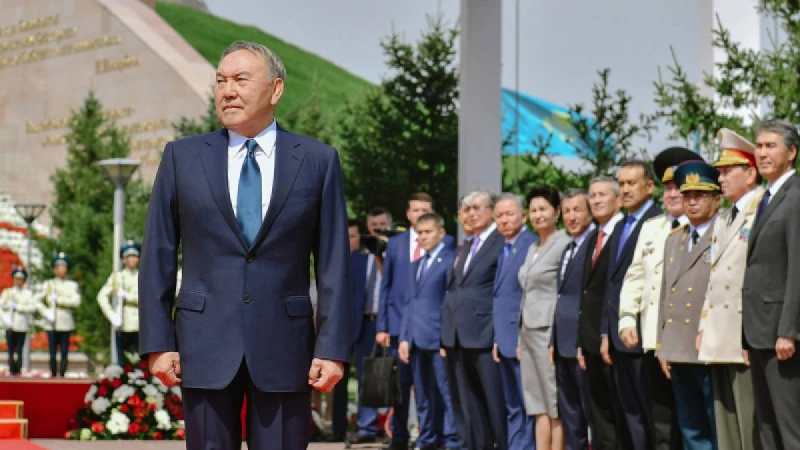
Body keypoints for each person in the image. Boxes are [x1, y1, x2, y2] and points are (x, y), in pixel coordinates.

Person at [138, 40, 352, 450]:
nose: (227, 91)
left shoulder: (317, 160)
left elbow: (334, 265)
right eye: (220, 81)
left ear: (275, 89)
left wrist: (332, 348)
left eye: (240, 80)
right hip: (203, 346)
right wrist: (158, 343)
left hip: (285, 348)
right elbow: (157, 256)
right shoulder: (182, 157)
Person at [618, 147, 702, 450]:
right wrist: (627, 317)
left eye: (678, 187)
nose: (672, 194)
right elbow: (635, 276)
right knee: (661, 421)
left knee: (693, 421)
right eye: (667, 188)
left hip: (690, 341)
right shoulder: (652, 228)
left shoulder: (704, 227)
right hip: (654, 338)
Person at [696, 128, 761, 450]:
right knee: (726, 427)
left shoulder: (762, 210)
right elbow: (714, 278)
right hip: (719, 334)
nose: (720, 179)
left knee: (750, 426)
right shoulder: (724, 218)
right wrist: (703, 324)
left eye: (727, 171)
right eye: (719, 172)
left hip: (744, 333)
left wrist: (750, 334)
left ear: (750, 173)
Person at [376, 192, 452, 449]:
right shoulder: (396, 244)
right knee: (402, 387)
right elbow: (386, 286)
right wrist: (383, 325)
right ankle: (400, 437)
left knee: (435, 388)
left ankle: (438, 436)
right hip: (400, 327)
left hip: (432, 330)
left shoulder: (447, 246)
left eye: (425, 210)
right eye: (416, 210)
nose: (420, 214)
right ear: (408, 214)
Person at [742, 119, 800, 449]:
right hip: (759, 331)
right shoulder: (767, 197)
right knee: (766, 425)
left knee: (790, 427)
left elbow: (797, 268)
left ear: (791, 152)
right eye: (759, 146)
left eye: (770, 146)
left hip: (781, 334)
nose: (762, 153)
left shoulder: (795, 197)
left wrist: (788, 330)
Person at [656, 160, 721, 450]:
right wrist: (662, 344)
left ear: (716, 199)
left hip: (709, 346)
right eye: (687, 196)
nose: (692, 202)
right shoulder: (674, 239)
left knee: (716, 424)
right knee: (690, 427)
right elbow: (665, 294)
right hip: (679, 346)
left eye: (700, 195)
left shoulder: (724, 233)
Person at [601, 160, 662, 450]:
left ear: (649, 186)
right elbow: (611, 284)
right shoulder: (620, 226)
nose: (624, 190)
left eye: (631, 183)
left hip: (642, 334)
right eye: (621, 183)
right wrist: (606, 331)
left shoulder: (658, 222)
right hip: (619, 334)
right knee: (630, 414)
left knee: (651, 414)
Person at [441, 190, 507, 450]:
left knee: (495, 402)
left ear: (491, 211)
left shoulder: (501, 242)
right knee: (469, 404)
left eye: (477, 208)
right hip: (459, 336)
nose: (471, 214)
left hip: (486, 334)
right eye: (467, 209)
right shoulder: (466, 246)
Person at [399, 213, 459, 450]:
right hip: (415, 339)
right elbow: (409, 303)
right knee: (422, 394)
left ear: (441, 233)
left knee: (446, 391)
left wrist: (447, 338)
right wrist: (404, 337)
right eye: (420, 233)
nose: (423, 237)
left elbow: (450, 303)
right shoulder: (417, 264)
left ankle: (452, 438)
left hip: (437, 338)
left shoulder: (449, 260)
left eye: (428, 232)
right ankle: (427, 437)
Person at [518, 184, 571, 450]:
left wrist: (555, 337)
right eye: (533, 210)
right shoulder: (532, 247)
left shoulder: (564, 244)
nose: (538, 215)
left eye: (543, 209)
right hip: (527, 330)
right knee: (536, 402)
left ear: (557, 212)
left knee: (553, 402)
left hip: (548, 330)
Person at [578, 176, 629, 449]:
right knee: (599, 415)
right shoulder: (592, 238)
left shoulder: (624, 232)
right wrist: (582, 340)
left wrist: (607, 332)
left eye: (602, 194)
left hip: (614, 338)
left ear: (618, 199)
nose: (596, 200)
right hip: (590, 340)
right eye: (593, 195)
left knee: (621, 412)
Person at [549, 189, 594, 450]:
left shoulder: (593, 245)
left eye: (577, 210)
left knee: (590, 412)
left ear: (589, 212)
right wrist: (553, 340)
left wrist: (581, 341)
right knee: (570, 413)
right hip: (562, 343)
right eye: (566, 211)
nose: (571, 216)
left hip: (581, 342)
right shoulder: (568, 247)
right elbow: (561, 297)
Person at [491, 193, 537, 450]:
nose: (504, 220)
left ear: (523, 216)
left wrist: (522, 335)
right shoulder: (504, 248)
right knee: (512, 403)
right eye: (499, 216)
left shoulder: (531, 245)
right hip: (504, 337)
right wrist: (497, 338)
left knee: (526, 400)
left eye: (509, 214)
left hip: (522, 337)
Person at [97, 239, 141, 366]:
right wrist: (111, 315)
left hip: (140, 321)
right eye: (129, 256)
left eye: (134, 256)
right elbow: (101, 296)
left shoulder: (143, 275)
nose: (132, 259)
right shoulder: (117, 277)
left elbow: (148, 297)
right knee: (123, 361)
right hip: (123, 321)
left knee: (140, 360)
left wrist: (128, 296)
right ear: (123, 260)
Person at [37, 252, 81, 377]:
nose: (61, 270)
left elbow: (76, 301)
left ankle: (62, 374)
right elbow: (37, 300)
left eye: (63, 267)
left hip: (65, 320)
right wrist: (45, 312)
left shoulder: (72, 285)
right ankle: (53, 374)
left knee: (64, 351)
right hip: (51, 321)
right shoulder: (49, 284)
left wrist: (60, 300)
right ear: (54, 269)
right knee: (52, 352)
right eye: (58, 267)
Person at [0, 267, 38, 375]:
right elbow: (1, 305)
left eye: (21, 279)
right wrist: (6, 316)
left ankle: (18, 369)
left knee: (20, 350)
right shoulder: (8, 292)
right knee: (10, 350)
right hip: (10, 324)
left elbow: (32, 307)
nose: (18, 281)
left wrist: (18, 307)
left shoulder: (27, 294)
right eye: (16, 279)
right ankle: (12, 369)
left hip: (21, 324)